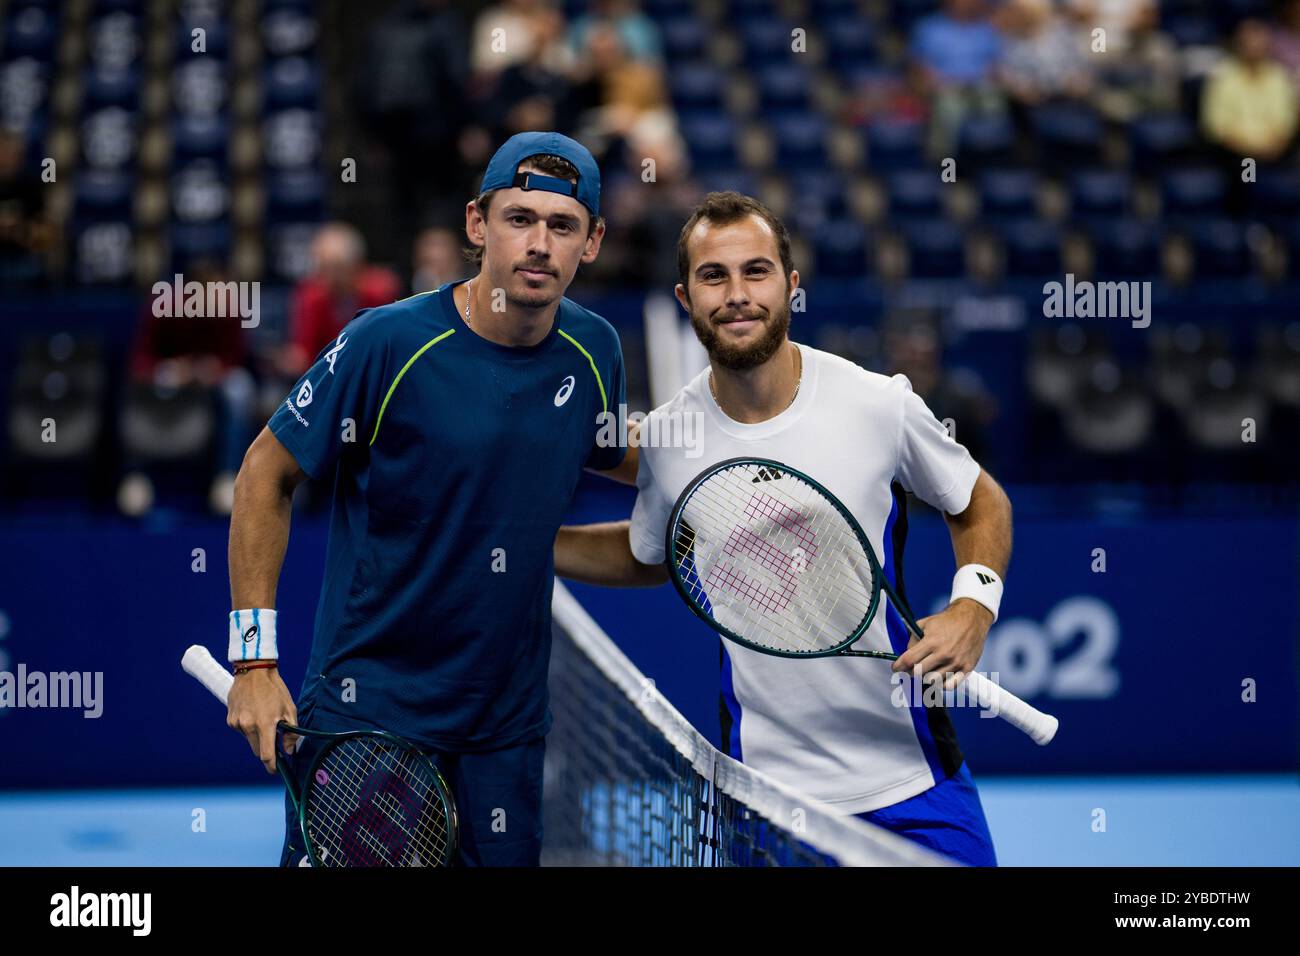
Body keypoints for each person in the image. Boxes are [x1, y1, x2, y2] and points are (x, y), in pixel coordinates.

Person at [554, 192, 1012, 866]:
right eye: (715, 276)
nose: (737, 294)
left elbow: (979, 500)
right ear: (686, 298)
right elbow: (654, 555)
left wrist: (973, 607)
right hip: (766, 803)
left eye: (757, 271)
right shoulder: (671, 442)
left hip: (914, 785)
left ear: (792, 287)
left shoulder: (877, 403)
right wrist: (531, 547)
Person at [226, 132, 629, 867]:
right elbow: (262, 475)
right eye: (519, 218)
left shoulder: (596, 351)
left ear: (592, 241)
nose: (539, 244)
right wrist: (254, 663)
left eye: (562, 226)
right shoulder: (386, 341)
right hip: (369, 716)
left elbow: (613, 451)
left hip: (504, 732)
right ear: (478, 225)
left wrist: (721, 467)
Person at [278, 223, 399, 379]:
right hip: (325, 380)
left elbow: (389, 346)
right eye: (321, 267)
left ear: (356, 265)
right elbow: (305, 353)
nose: (327, 276)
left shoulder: (380, 294)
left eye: (335, 268)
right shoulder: (311, 297)